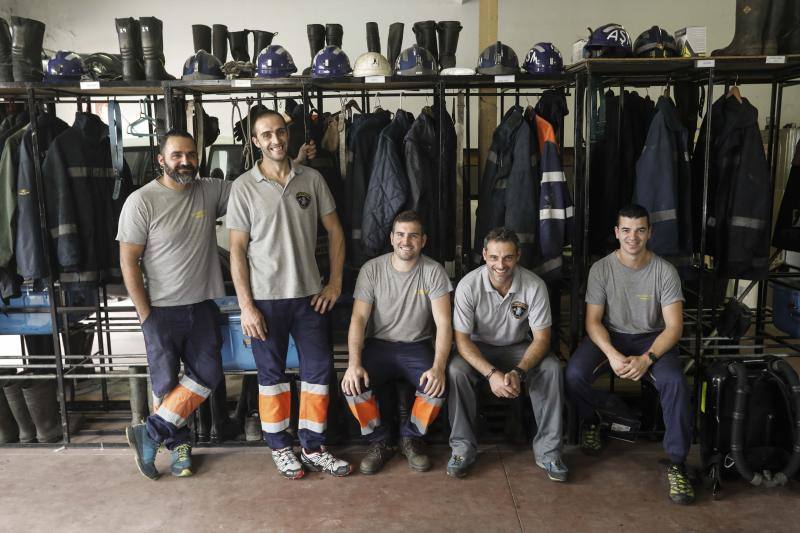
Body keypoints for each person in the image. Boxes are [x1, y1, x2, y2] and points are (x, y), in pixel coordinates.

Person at [227, 108, 351, 479]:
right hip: (264, 300)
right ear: (255, 141)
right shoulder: (243, 187)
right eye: (266, 135)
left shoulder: (310, 179)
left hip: (310, 297)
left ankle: (313, 446)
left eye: (280, 132)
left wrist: (335, 283)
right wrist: (246, 306)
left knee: (318, 373)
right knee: (272, 377)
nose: (276, 140)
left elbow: (336, 232)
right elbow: (236, 250)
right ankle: (280, 448)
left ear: (288, 134)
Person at [118, 130, 229, 480]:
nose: (185, 161)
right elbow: (128, 261)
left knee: (207, 376)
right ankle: (179, 446)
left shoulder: (210, 190)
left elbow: (255, 188)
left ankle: (148, 434)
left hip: (202, 305)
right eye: (177, 155)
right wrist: (145, 313)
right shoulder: (142, 201)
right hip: (161, 310)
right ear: (161, 159)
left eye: (191, 154)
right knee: (165, 386)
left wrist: (297, 162)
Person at [565, 204, 694, 505]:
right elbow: (593, 322)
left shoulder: (665, 271)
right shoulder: (602, 269)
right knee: (573, 375)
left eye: (639, 230)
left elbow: (674, 327)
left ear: (649, 232)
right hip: (611, 336)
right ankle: (593, 420)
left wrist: (647, 358)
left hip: (652, 338)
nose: (632, 237)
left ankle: (677, 461)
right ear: (616, 233)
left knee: (675, 383)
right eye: (626, 230)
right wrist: (610, 353)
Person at [447, 227, 567, 481]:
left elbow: (542, 339)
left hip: (518, 348)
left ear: (518, 256)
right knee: (456, 370)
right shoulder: (469, 285)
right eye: (494, 257)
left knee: (551, 368)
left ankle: (550, 452)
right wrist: (491, 374)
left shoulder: (534, 285)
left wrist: (518, 371)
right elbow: (462, 341)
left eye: (507, 257)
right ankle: (462, 449)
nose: (500, 265)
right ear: (484, 255)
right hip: (479, 348)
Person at [341, 210, 452, 475]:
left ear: (423, 240)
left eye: (413, 235)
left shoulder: (433, 271)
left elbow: (444, 323)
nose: (406, 241)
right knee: (352, 386)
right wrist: (353, 363)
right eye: (400, 235)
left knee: (436, 387)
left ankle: (410, 437)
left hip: (417, 345)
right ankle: (380, 441)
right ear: (391, 238)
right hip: (379, 345)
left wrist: (438, 366)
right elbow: (358, 318)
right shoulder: (372, 270)